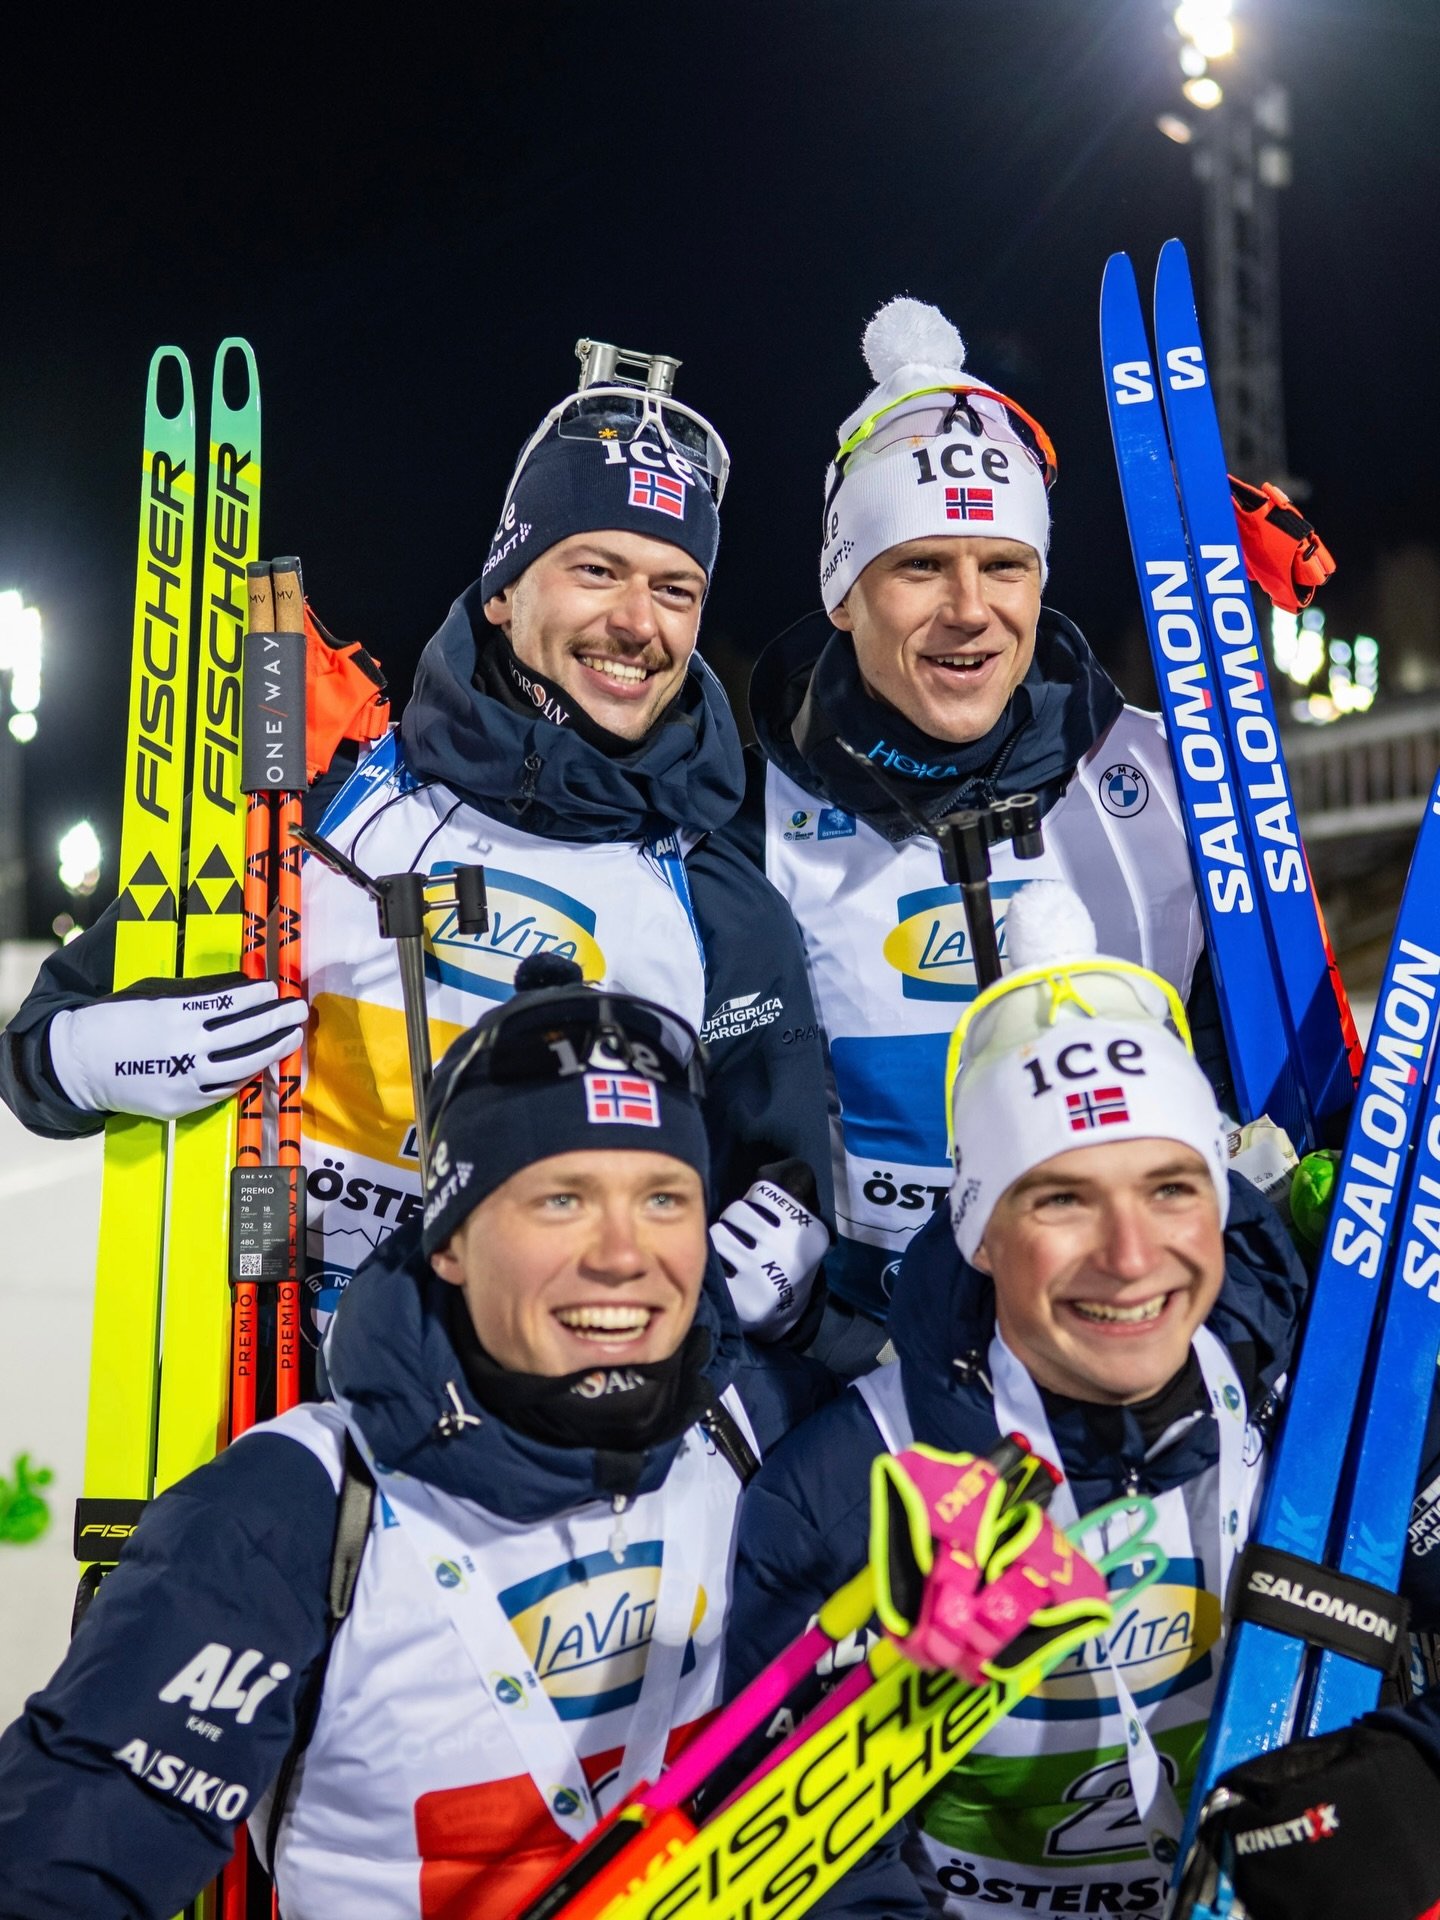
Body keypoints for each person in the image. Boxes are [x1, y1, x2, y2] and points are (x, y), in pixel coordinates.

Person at [0, 337, 833, 1349]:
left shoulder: (718, 897)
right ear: (503, 590)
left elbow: (781, 1175)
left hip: (550, 1455)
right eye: (596, 569)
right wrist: (86, 1055)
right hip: (275, 1391)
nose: (635, 621)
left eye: (675, 589)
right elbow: (41, 1040)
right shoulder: (325, 802)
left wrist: (782, 1261)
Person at [0, 960, 833, 1917]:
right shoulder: (299, 1504)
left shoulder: (760, 1426)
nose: (622, 1254)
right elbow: (74, 1847)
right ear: (448, 1241)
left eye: (664, 1199)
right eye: (561, 1198)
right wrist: (51, 1055)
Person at [723, 881, 1440, 1919]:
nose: (1131, 1258)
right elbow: (809, 1863)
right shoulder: (841, 1491)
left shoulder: (1342, 1398)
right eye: (1062, 1197)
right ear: (983, 1232)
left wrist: (1417, 1781)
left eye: (1170, 1187)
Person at [721, 297, 1226, 1325]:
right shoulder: (744, 817)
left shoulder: (1166, 787)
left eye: (1004, 565)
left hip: (1123, 1343)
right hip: (856, 1377)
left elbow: (1249, 1075)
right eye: (919, 565)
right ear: (843, 587)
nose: (969, 609)